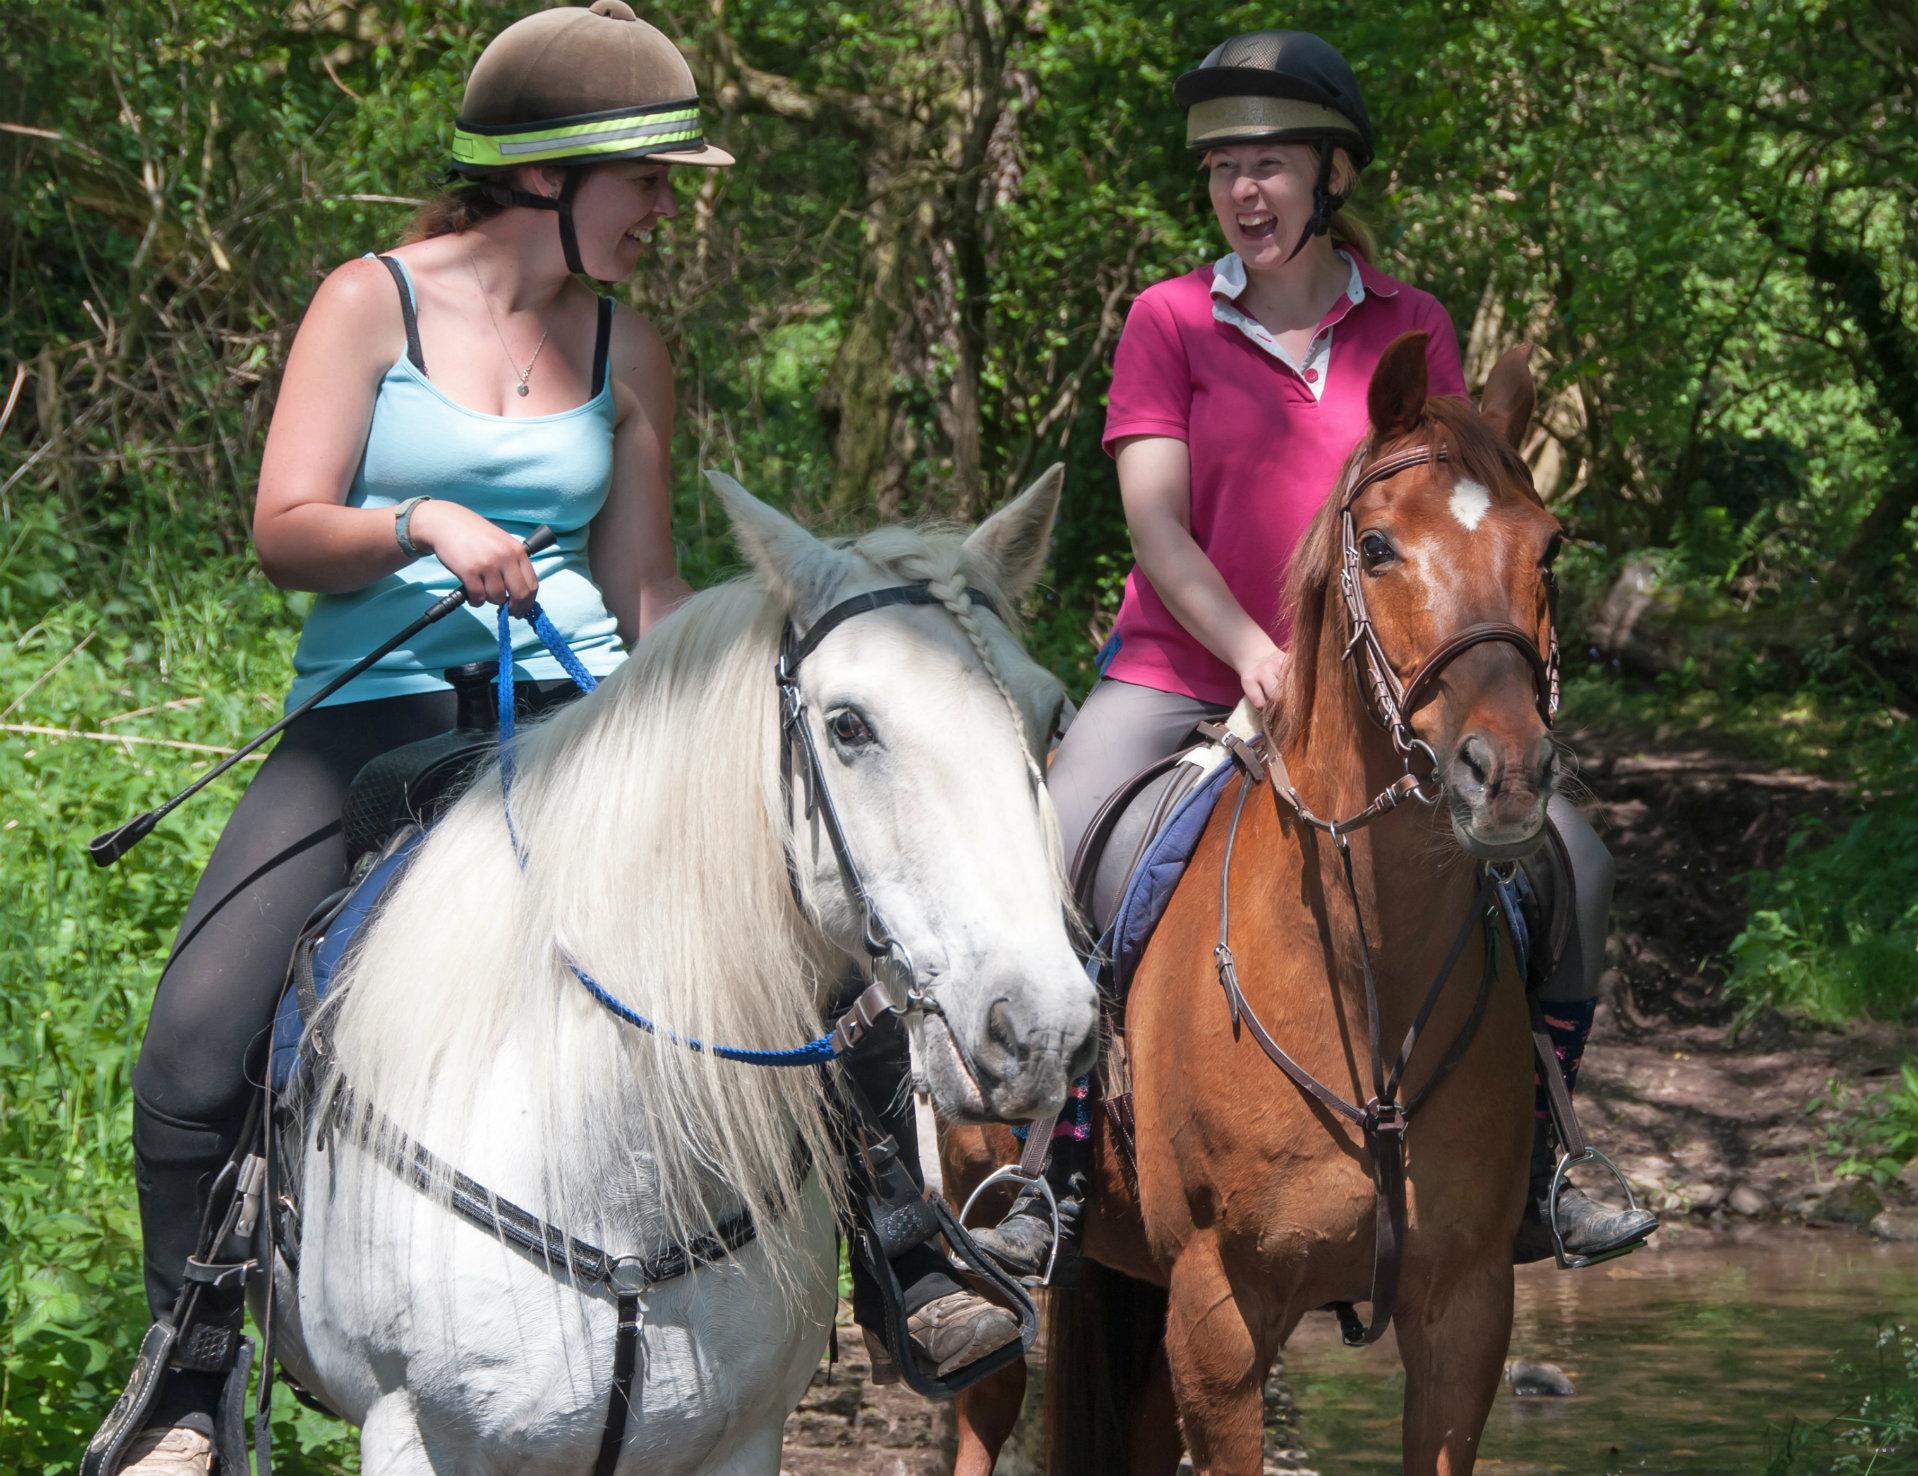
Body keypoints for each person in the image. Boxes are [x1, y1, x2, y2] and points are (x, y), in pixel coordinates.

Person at [104, 7, 1009, 1471]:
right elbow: (283, 529)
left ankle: (899, 1255)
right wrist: (421, 523)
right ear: (546, 176)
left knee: (826, 956)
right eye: (648, 180)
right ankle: (189, 1375)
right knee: (196, 1037)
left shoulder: (625, 342)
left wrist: (707, 721)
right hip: (371, 719)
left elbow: (645, 589)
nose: (665, 210)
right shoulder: (366, 305)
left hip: (587, 718)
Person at [974, 29, 1658, 1281]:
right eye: (1224, 167)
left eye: (1273, 163)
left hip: (1381, 700)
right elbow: (1157, 527)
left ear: (1333, 174)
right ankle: (1049, 1163)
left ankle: (1547, 1158)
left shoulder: (1412, 328)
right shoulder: (1167, 320)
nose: (1245, 191)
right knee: (1059, 846)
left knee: (1579, 864)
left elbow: (1455, 524)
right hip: (1181, 675)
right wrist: (1250, 651)